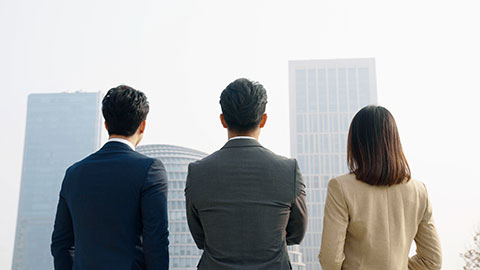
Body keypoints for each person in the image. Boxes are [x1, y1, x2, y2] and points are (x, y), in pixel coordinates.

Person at [185, 78, 308, 270]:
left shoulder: (198, 171)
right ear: (264, 119)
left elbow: (200, 237)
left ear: (223, 120)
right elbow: (296, 233)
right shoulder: (287, 169)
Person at [51, 85, 169, 270]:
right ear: (143, 125)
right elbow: (156, 241)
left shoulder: (74, 173)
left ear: (106, 124)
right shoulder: (150, 170)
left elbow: (61, 243)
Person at [318, 105, 442, 270]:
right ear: (394, 140)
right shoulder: (419, 191)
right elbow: (432, 261)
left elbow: (330, 260)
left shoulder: (340, 187)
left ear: (355, 142)